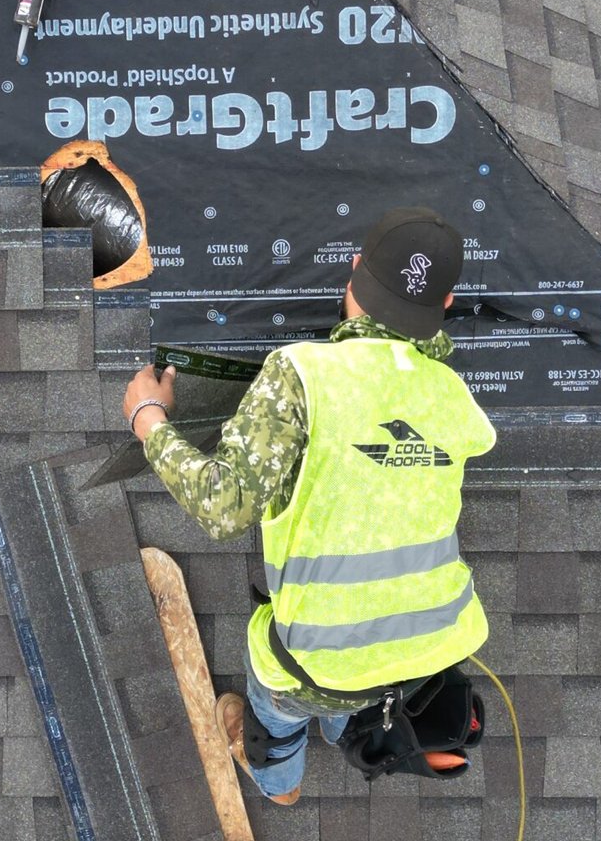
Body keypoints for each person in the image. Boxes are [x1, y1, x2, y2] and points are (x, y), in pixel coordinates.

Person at [122, 207, 496, 803]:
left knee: (279, 708)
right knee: (354, 693)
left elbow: (223, 506)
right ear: (446, 303)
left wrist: (149, 421)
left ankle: (278, 782)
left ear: (353, 271)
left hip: (314, 661)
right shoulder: (453, 394)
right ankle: (340, 721)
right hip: (427, 649)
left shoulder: (302, 374)